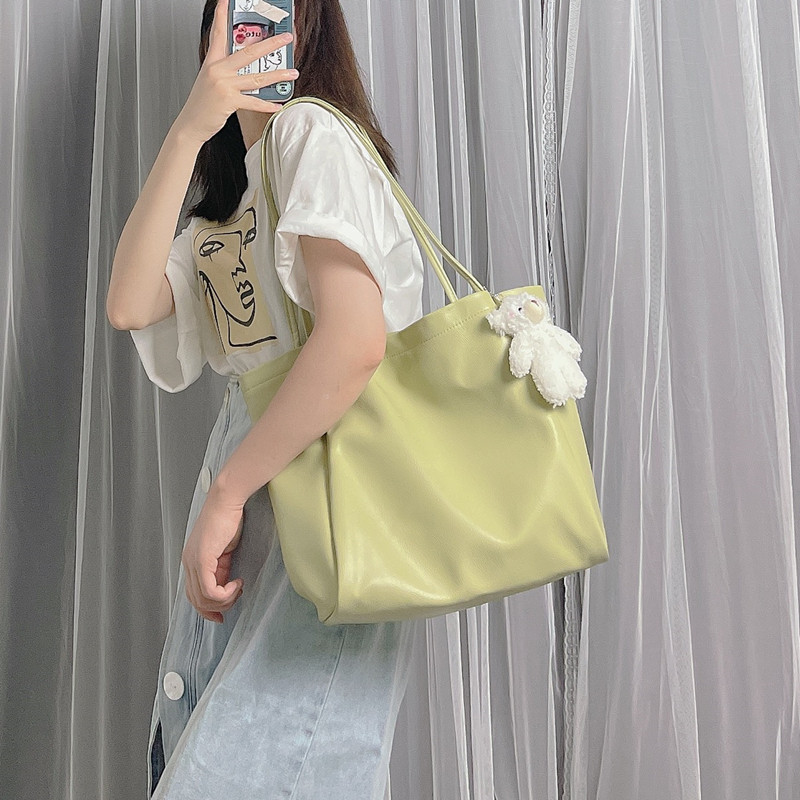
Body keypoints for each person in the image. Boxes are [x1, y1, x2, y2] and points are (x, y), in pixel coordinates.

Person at [106, 0, 425, 796]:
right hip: (257, 485)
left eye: (269, 11)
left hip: (326, 485)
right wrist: (191, 127)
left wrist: (227, 492)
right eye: (233, 13)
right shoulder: (234, 201)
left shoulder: (312, 137)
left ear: (305, 28)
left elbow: (354, 342)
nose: (248, 34)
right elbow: (130, 304)